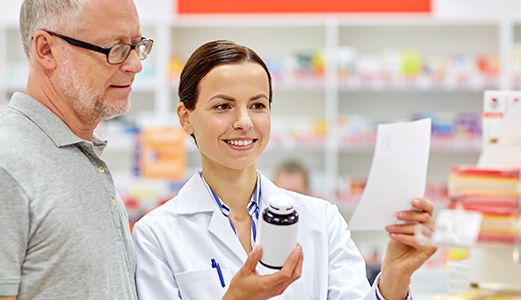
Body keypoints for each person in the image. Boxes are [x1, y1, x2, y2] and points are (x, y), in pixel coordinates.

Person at [132, 40, 437, 299]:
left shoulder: (322, 220)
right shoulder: (156, 235)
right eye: (223, 106)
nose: (244, 121)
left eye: (257, 105)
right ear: (186, 118)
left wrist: (395, 277)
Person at [0, 0, 152, 299]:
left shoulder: (82, 154)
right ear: (47, 50)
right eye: (114, 48)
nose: (135, 64)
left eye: (136, 45)